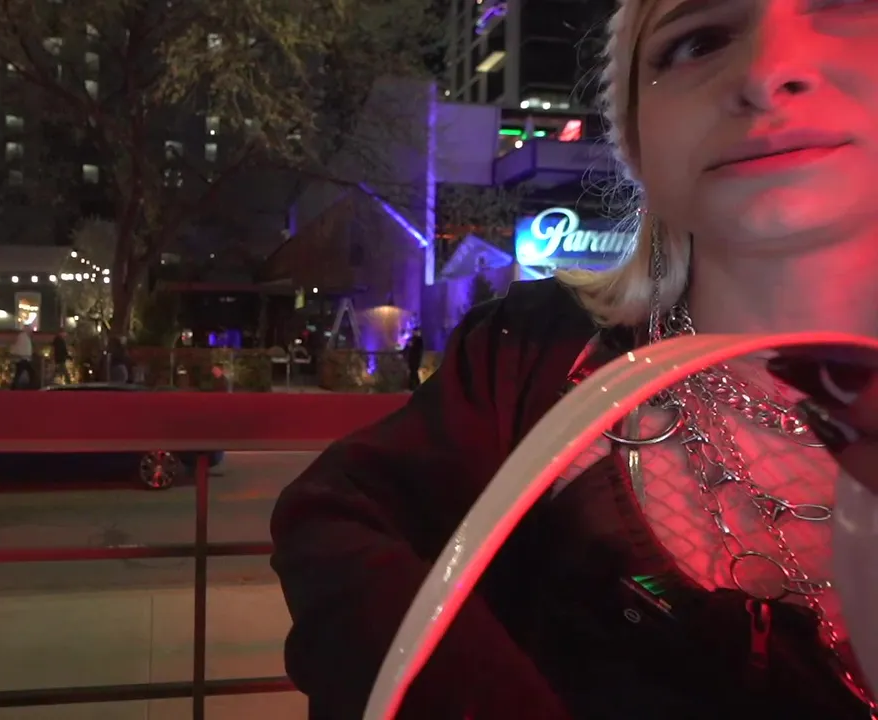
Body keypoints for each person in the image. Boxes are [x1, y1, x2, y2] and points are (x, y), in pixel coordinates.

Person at [271, 2, 878, 718]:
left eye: (848, 9)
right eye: (698, 41)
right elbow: (335, 528)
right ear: (638, 139)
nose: (769, 71)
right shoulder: (527, 356)